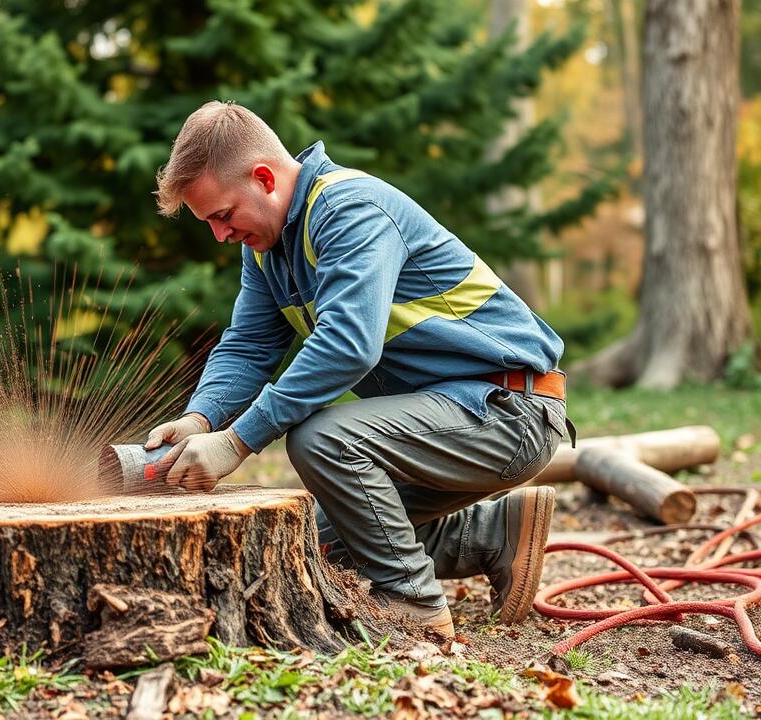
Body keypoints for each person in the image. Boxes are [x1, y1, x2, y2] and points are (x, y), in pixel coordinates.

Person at [144, 101, 572, 638]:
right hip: (452, 417)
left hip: (509, 411)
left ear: (264, 179)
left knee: (321, 439)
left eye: (224, 215)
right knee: (314, 542)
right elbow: (249, 345)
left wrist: (238, 441)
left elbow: (348, 346)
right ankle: (493, 533)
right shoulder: (269, 249)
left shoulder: (350, 211)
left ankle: (414, 604)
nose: (220, 234)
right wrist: (201, 419)